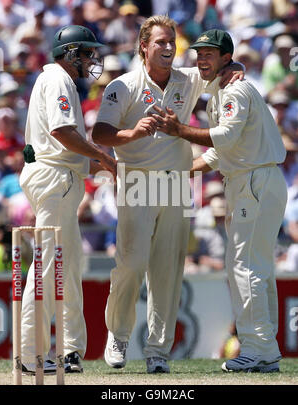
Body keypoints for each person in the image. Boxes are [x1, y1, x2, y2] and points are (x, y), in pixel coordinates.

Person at [92, 16, 244, 374]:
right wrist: (131, 134)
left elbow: (215, 66)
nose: (167, 48)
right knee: (131, 262)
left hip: (175, 183)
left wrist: (234, 65)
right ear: (144, 46)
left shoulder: (187, 79)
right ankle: (118, 334)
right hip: (136, 180)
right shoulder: (123, 85)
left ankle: (158, 350)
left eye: (171, 42)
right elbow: (100, 133)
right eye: (160, 42)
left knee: (168, 270)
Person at [152, 29, 287, 373]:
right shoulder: (222, 91)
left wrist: (178, 130)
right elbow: (218, 151)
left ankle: (258, 349)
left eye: (210, 53)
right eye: (199, 53)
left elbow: (224, 138)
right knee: (254, 266)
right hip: (253, 180)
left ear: (227, 57)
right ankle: (264, 348)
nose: (202, 58)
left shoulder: (234, 90)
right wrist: (186, 171)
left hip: (253, 182)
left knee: (246, 267)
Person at [18, 25, 116, 375]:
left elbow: (65, 149)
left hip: (60, 177)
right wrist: (104, 158)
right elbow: (63, 134)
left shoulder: (60, 81)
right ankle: (30, 353)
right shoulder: (58, 79)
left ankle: (71, 350)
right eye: (87, 52)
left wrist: (108, 167)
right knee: (47, 269)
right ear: (71, 51)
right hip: (54, 180)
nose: (92, 59)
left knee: (69, 265)